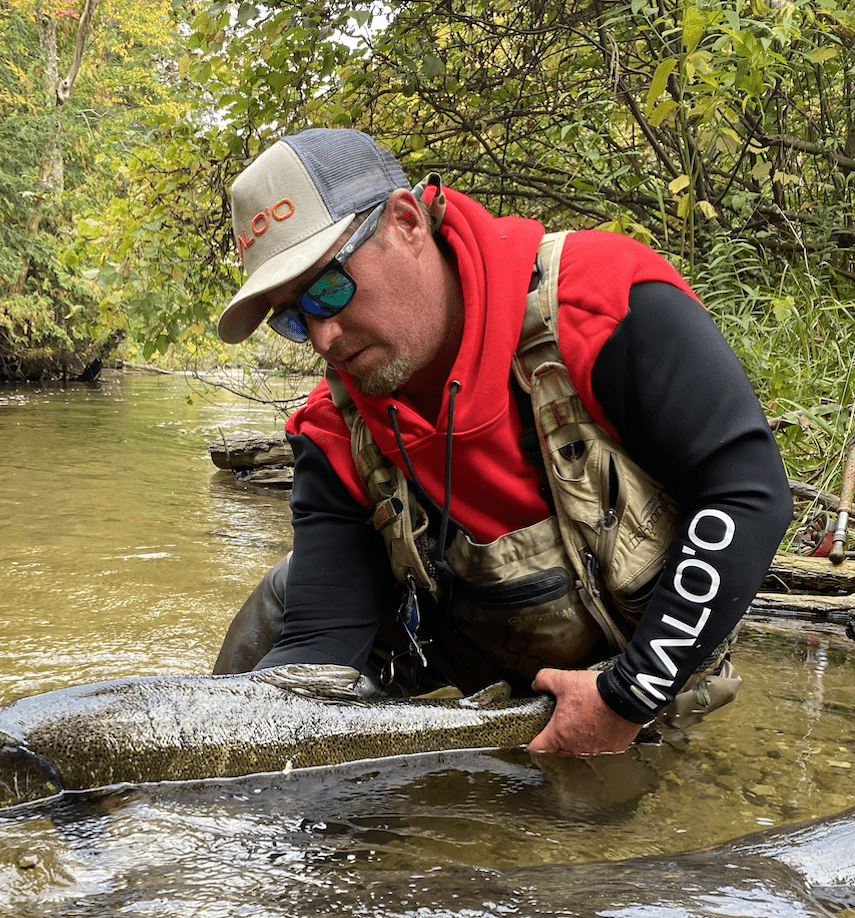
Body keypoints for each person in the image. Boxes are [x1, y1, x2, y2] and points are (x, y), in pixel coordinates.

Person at [212, 128, 792, 756]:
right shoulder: (334, 431)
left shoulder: (598, 303)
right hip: (461, 668)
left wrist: (627, 696)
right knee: (283, 603)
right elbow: (320, 648)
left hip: (639, 667)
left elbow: (748, 494)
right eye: (294, 317)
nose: (323, 337)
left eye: (328, 287)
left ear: (406, 222)